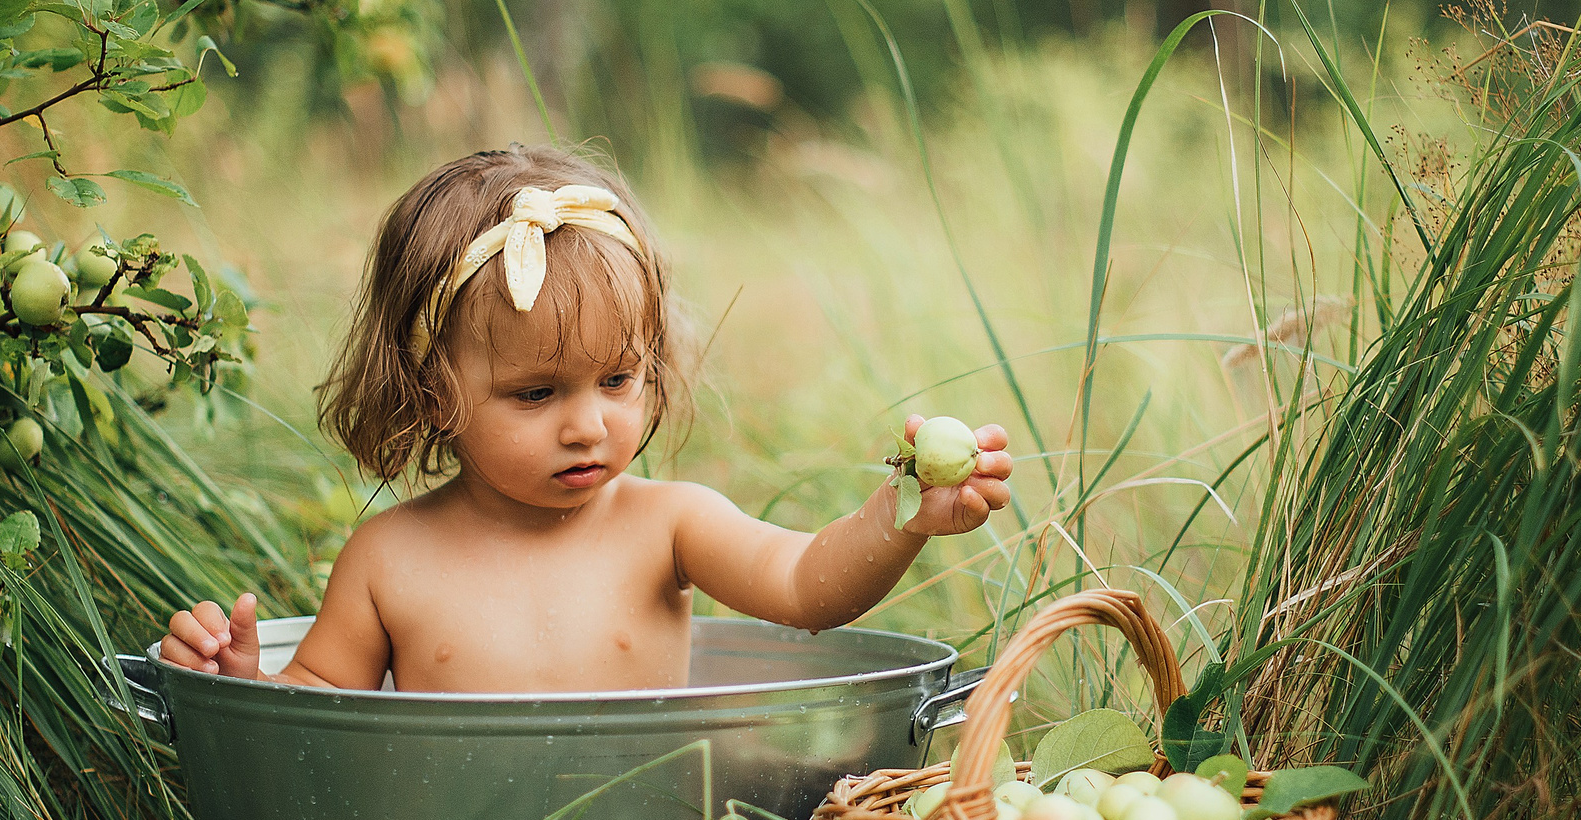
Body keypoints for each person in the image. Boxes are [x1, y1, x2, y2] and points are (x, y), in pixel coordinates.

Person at [160, 145, 1013, 693]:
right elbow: (318, 719)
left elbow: (804, 586)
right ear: (433, 391)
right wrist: (242, 686)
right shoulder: (389, 560)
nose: (588, 425)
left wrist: (903, 512)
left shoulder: (670, 525)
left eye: (617, 378)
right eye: (536, 393)